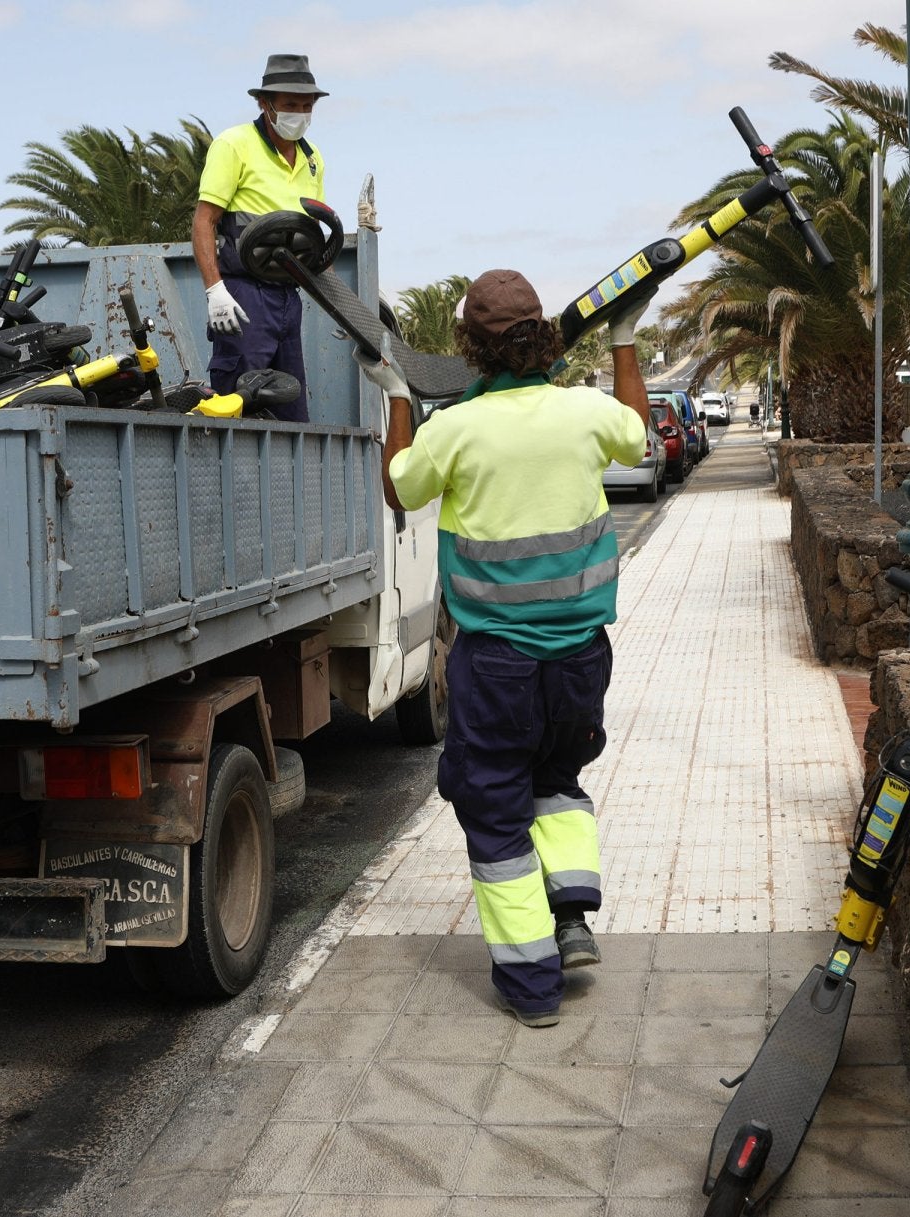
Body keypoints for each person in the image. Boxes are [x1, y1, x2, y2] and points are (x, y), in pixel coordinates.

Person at [359, 270, 652, 1028]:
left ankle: (531, 984)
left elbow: (399, 488)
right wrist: (624, 339)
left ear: (470, 350)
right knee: (558, 774)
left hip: (497, 663)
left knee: (493, 804)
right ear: (546, 337)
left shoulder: (455, 430)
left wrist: (395, 391)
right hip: (583, 653)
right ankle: (572, 915)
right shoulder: (584, 413)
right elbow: (638, 430)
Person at [192, 54, 328, 423]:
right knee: (238, 402)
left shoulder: (312, 158)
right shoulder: (233, 144)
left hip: (288, 296)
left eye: (306, 106)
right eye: (289, 105)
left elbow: (310, 231)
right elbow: (205, 221)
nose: (299, 113)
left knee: (289, 403)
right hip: (243, 297)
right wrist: (215, 291)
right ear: (264, 103)